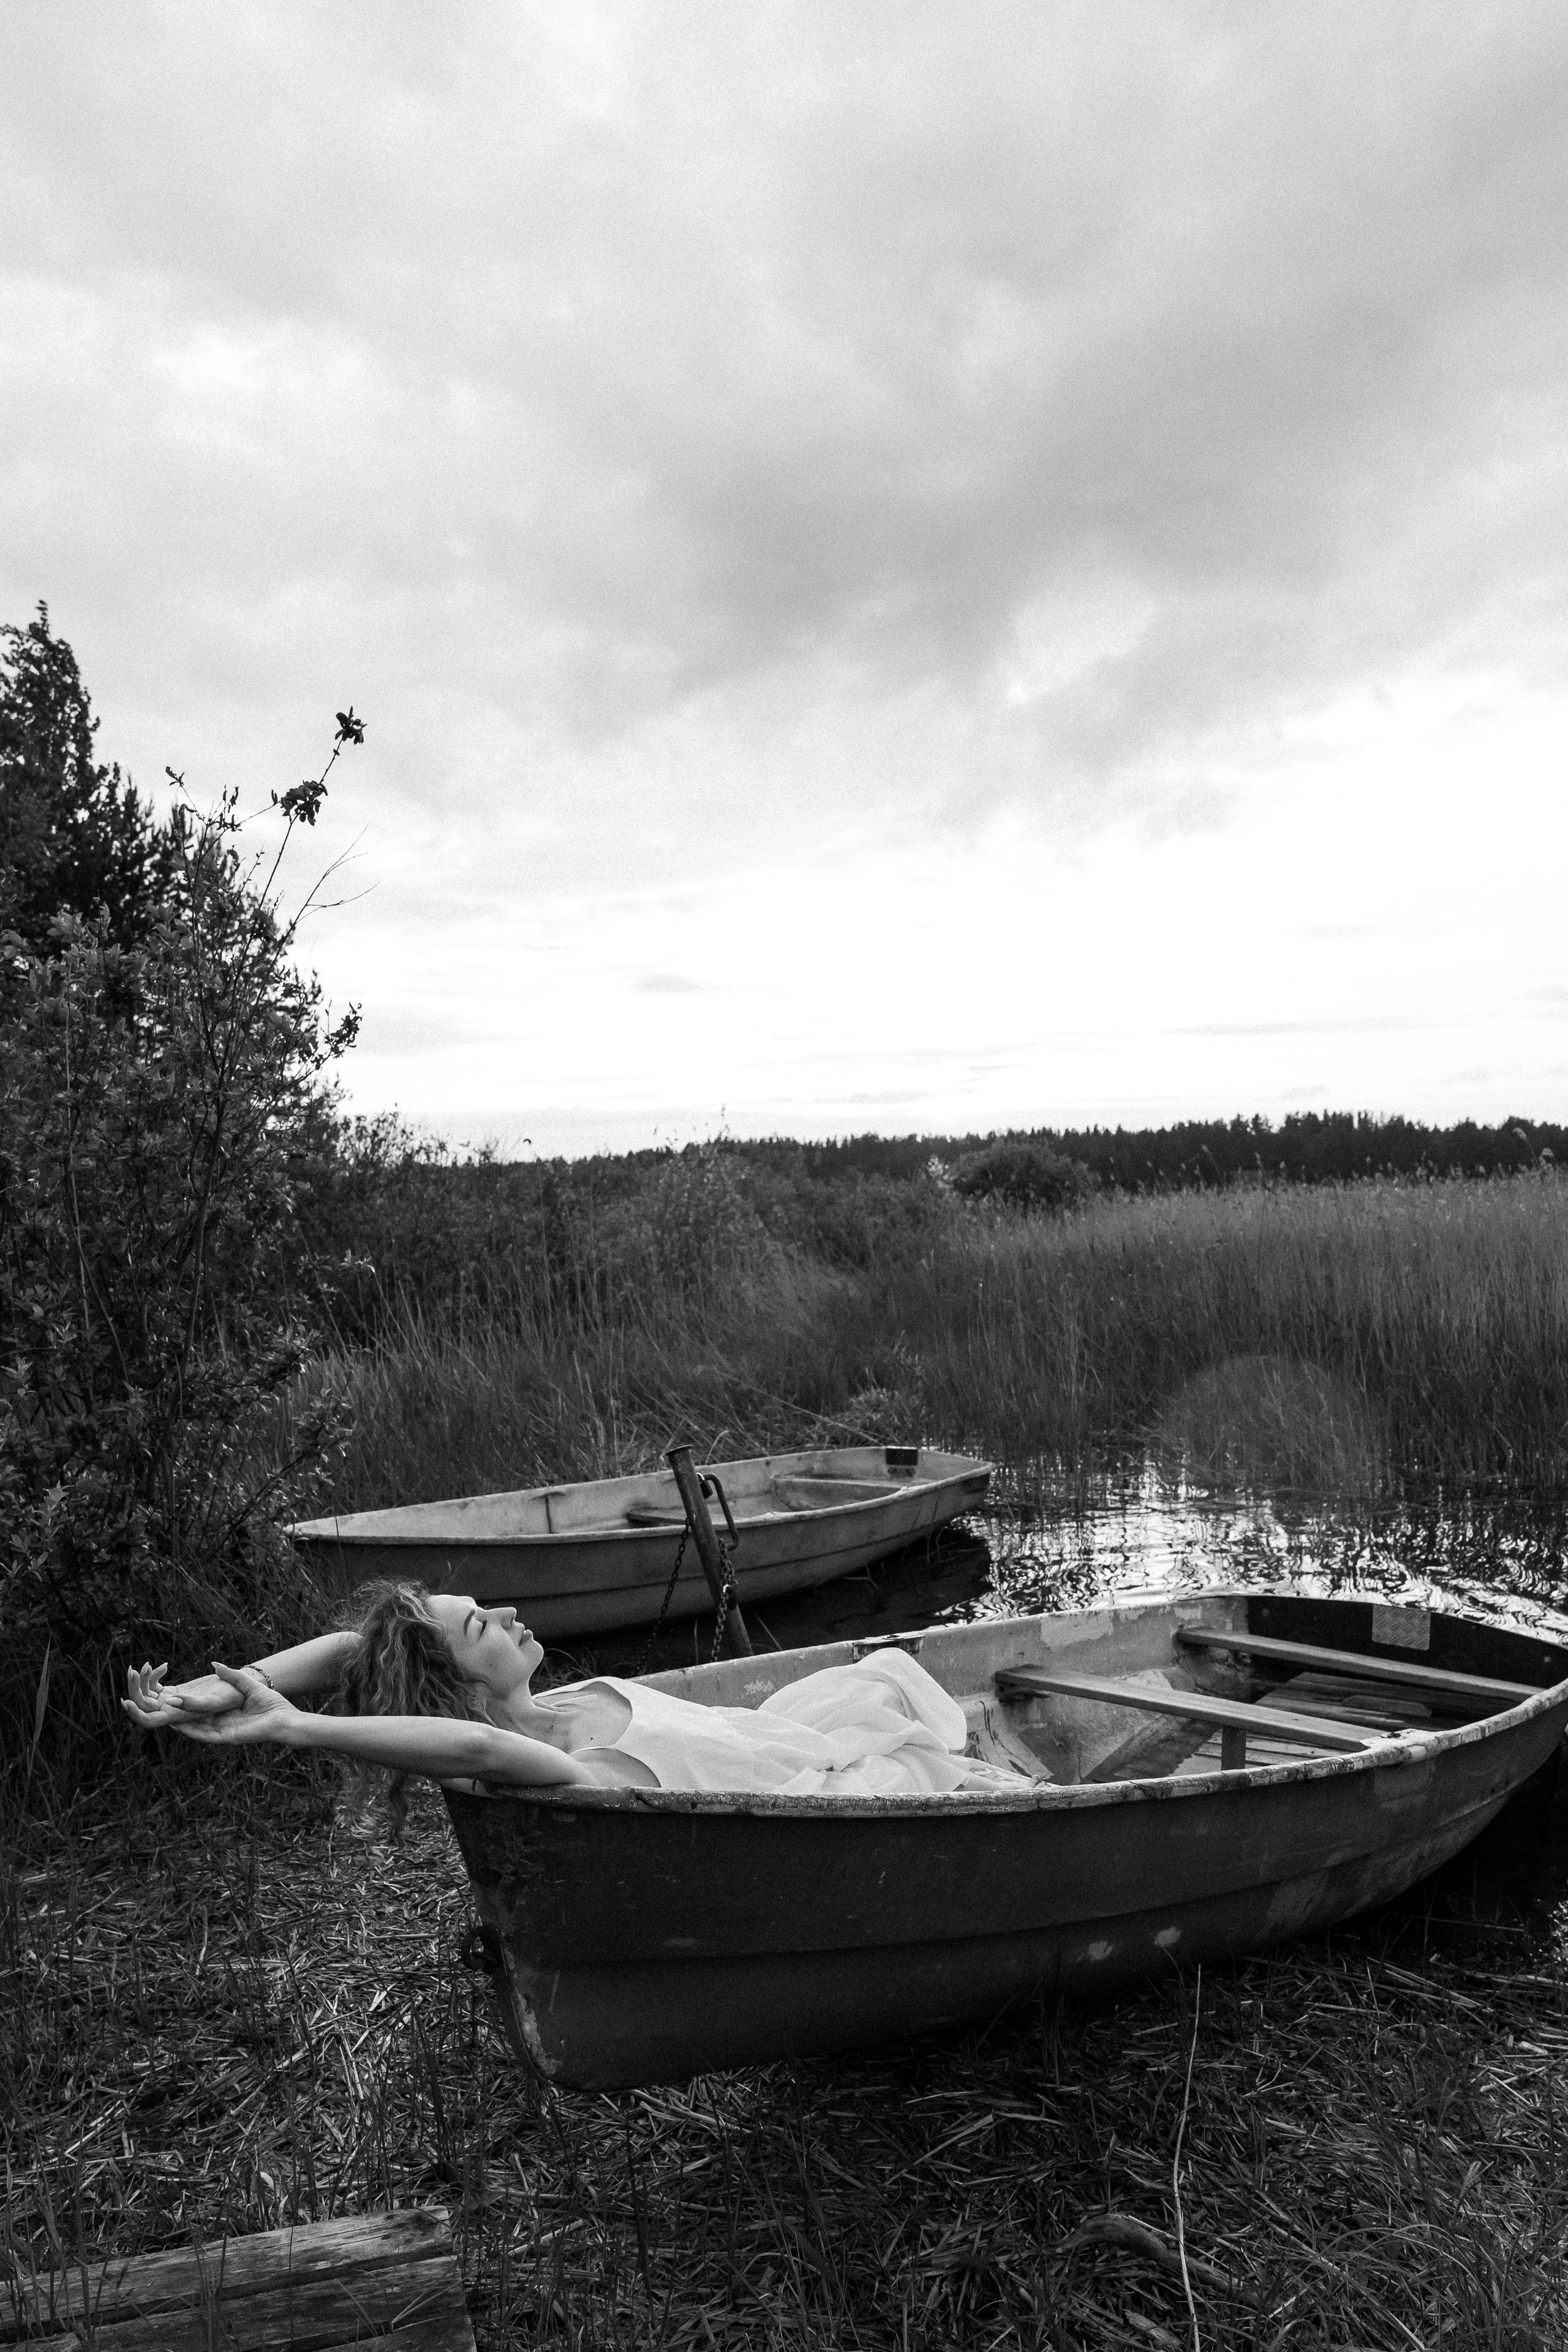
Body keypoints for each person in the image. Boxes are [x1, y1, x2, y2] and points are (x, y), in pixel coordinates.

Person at [122, 1581, 1024, 1822]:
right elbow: (472, 1751)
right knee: (937, 1764)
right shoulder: (554, 1768)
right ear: (461, 1687)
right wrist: (295, 1725)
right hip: (819, 1796)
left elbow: (350, 1649)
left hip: (790, 1737)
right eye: (482, 1624)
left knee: (883, 1674)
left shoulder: (557, 1703)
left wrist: (216, 1687)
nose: (509, 1614)